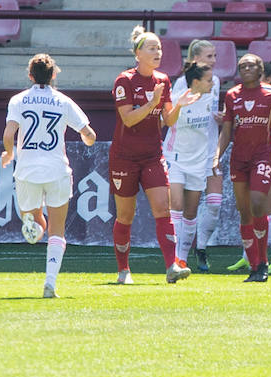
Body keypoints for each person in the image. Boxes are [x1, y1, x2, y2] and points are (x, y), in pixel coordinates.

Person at [0, 54, 97, 298]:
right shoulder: (64, 101)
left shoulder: (18, 100)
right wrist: (87, 139)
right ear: (54, 75)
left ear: (30, 76)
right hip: (56, 169)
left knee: (35, 220)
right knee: (57, 229)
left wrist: (9, 153)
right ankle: (50, 283)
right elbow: (89, 134)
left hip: (27, 169)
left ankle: (32, 223)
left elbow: (9, 134)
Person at [109, 26, 190, 285]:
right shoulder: (125, 80)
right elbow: (128, 119)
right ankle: (124, 271)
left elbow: (167, 120)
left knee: (162, 209)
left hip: (153, 155)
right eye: (152, 48)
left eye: (159, 48)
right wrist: (151, 104)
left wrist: (179, 106)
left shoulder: (163, 80)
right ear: (138, 54)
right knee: (125, 216)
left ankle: (171, 267)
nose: (158, 52)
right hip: (124, 157)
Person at [213, 53, 271, 283]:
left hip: (264, 156)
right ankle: (255, 265)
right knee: (244, 211)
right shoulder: (232, 95)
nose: (246, 68)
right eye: (242, 65)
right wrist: (217, 156)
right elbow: (226, 131)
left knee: (258, 203)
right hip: (239, 159)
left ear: (260, 70)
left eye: (251, 65)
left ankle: (264, 261)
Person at [168, 39, 224, 273]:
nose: (214, 61)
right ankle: (176, 259)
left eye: (214, 56)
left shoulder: (213, 86)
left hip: (204, 155)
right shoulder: (180, 88)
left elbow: (212, 114)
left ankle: (197, 250)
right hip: (177, 156)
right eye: (209, 57)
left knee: (205, 206)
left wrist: (220, 119)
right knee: (177, 208)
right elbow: (168, 121)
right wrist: (178, 107)